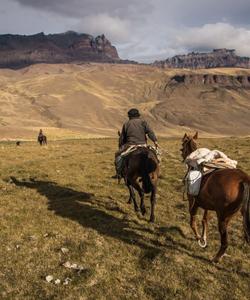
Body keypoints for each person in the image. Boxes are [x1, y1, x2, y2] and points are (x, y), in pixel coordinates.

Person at [115, 108, 158, 178]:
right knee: (156, 156)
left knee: (118, 156)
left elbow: (122, 138)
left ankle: (119, 173)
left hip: (130, 145)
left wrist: (121, 145)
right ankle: (156, 171)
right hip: (143, 145)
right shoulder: (143, 122)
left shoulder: (126, 124)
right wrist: (155, 141)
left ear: (129, 116)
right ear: (138, 115)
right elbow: (150, 132)